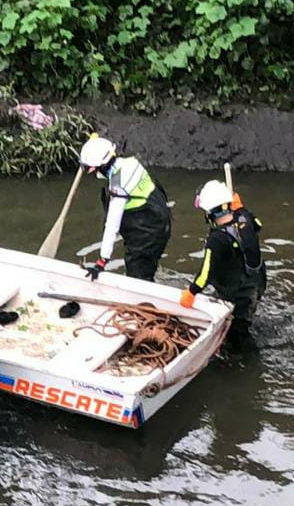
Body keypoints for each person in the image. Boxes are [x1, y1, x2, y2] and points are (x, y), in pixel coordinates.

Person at [180, 180, 267, 350]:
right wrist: (241, 209)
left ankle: (248, 359)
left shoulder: (216, 240)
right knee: (245, 317)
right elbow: (258, 225)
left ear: (209, 213)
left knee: (237, 334)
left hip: (239, 293)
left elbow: (206, 273)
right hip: (257, 281)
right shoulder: (245, 218)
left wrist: (191, 292)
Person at [78, 135, 172, 282]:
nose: (89, 172)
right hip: (160, 220)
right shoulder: (130, 163)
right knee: (147, 268)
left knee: (138, 278)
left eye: (89, 168)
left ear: (100, 166)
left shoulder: (117, 184)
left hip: (147, 232)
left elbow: (112, 224)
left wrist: (102, 260)